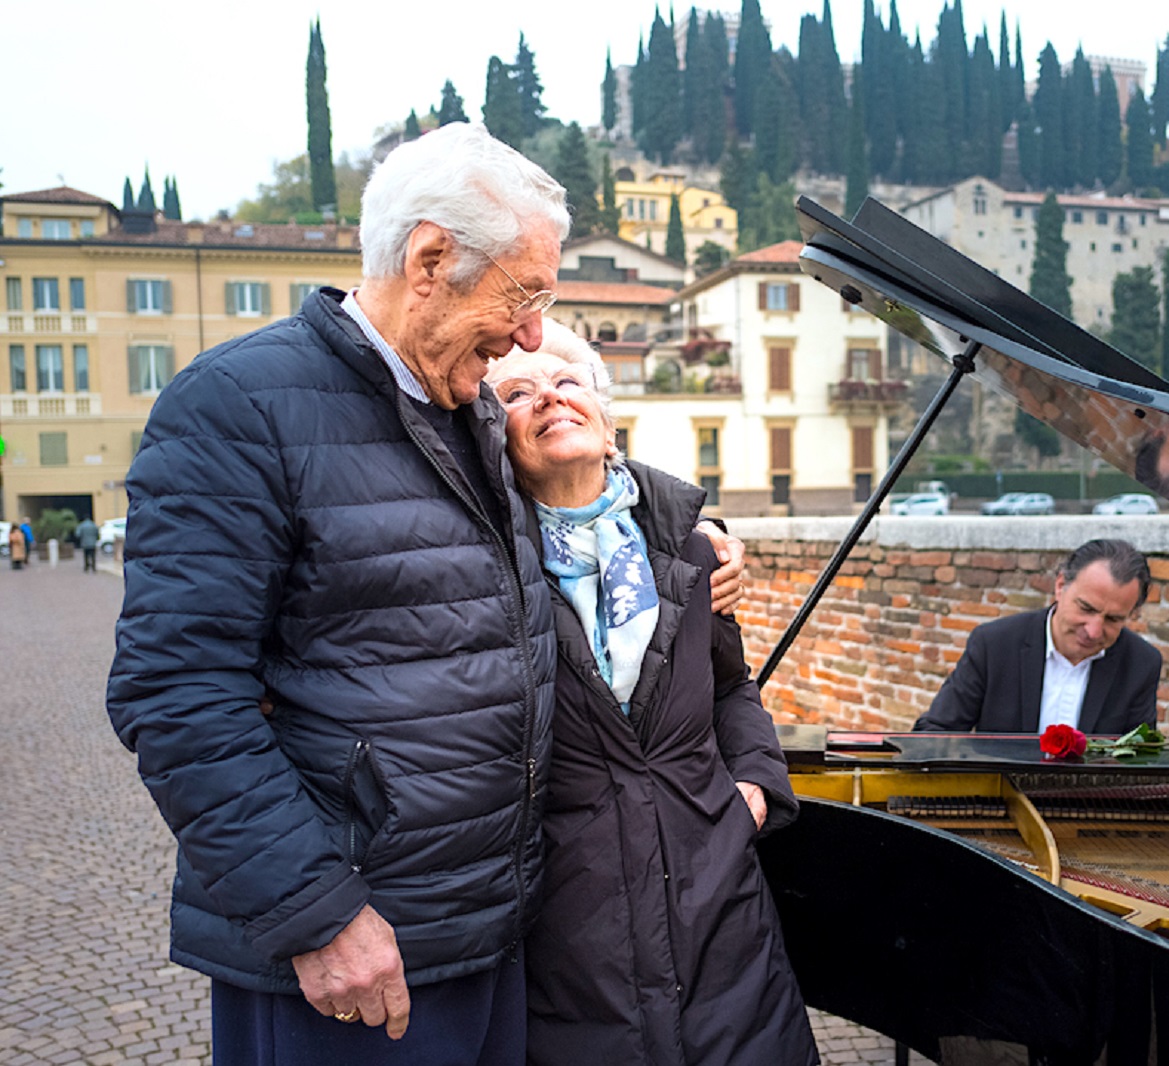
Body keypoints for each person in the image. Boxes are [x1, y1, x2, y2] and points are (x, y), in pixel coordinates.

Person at [107, 123, 572, 1066]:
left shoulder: (472, 407)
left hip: (485, 934)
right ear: (430, 259)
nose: (532, 335)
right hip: (355, 958)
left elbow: (578, 508)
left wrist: (695, 535)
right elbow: (176, 691)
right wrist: (317, 914)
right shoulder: (236, 405)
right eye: (524, 296)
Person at [485, 323, 818, 1066]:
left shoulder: (693, 553)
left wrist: (758, 780)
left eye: (567, 383)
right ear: (496, 440)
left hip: (716, 891)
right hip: (572, 909)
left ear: (609, 428)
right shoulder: (484, 571)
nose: (548, 396)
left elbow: (732, 687)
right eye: (516, 392)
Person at [913, 539, 1162, 735]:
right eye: (1086, 608)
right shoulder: (994, 645)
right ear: (1061, 585)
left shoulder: (1142, 663)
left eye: (1114, 619)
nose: (1094, 631)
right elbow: (935, 732)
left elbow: (1141, 759)